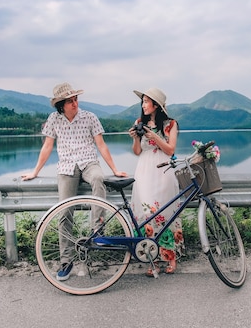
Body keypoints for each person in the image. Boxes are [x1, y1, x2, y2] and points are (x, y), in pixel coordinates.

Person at [22, 82, 127, 281]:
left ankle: (97, 230)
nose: (74, 103)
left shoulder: (89, 117)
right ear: (61, 104)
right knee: (65, 212)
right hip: (67, 167)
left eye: (76, 99)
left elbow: (101, 145)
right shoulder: (53, 119)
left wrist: (114, 169)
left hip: (89, 162)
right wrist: (35, 172)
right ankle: (66, 261)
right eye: (70, 101)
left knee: (98, 178)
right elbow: (47, 147)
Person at [129, 87, 183, 276]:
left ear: (156, 105)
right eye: (142, 101)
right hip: (144, 171)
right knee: (147, 214)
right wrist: (136, 139)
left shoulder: (170, 124)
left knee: (166, 212)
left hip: (163, 170)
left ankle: (170, 257)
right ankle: (151, 260)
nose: (143, 105)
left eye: (146, 101)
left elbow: (170, 150)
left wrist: (155, 137)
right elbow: (137, 151)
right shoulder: (139, 123)